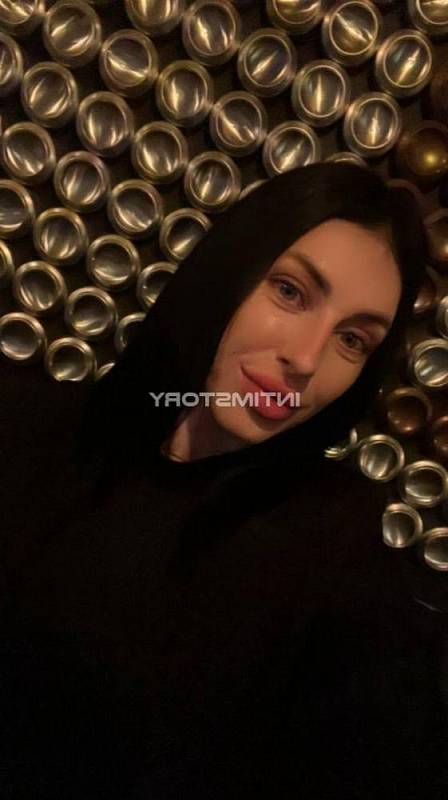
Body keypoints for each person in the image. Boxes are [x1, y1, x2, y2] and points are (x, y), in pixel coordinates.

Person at [0, 162, 447, 799]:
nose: (307, 359)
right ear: (228, 270)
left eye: (352, 339)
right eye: (291, 292)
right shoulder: (31, 427)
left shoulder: (332, 541)